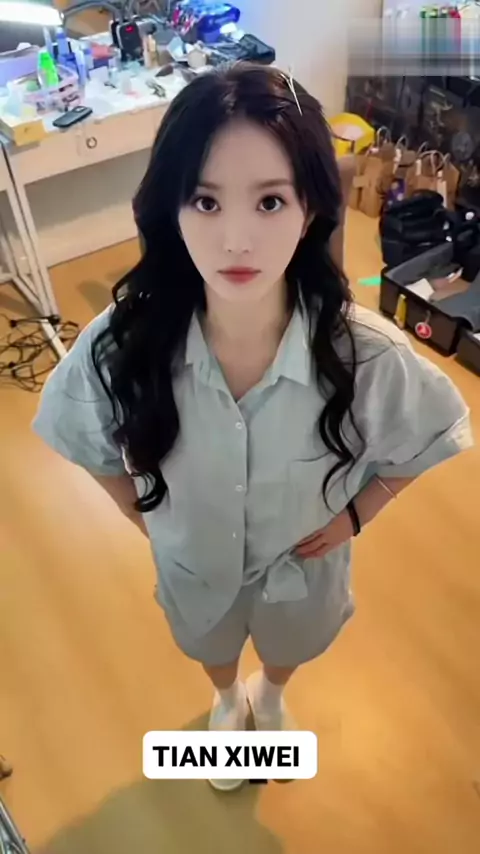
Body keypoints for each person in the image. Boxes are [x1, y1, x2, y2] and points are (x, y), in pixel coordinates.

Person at [32, 64, 473, 792]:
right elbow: (80, 434)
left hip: (302, 572)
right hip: (192, 564)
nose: (236, 240)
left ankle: (269, 693)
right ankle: (227, 697)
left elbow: (431, 435)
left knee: (290, 640)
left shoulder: (365, 354)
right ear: (171, 207)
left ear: (310, 209)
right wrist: (144, 517)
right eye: (205, 201)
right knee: (209, 641)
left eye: (269, 201)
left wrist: (358, 515)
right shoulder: (124, 341)